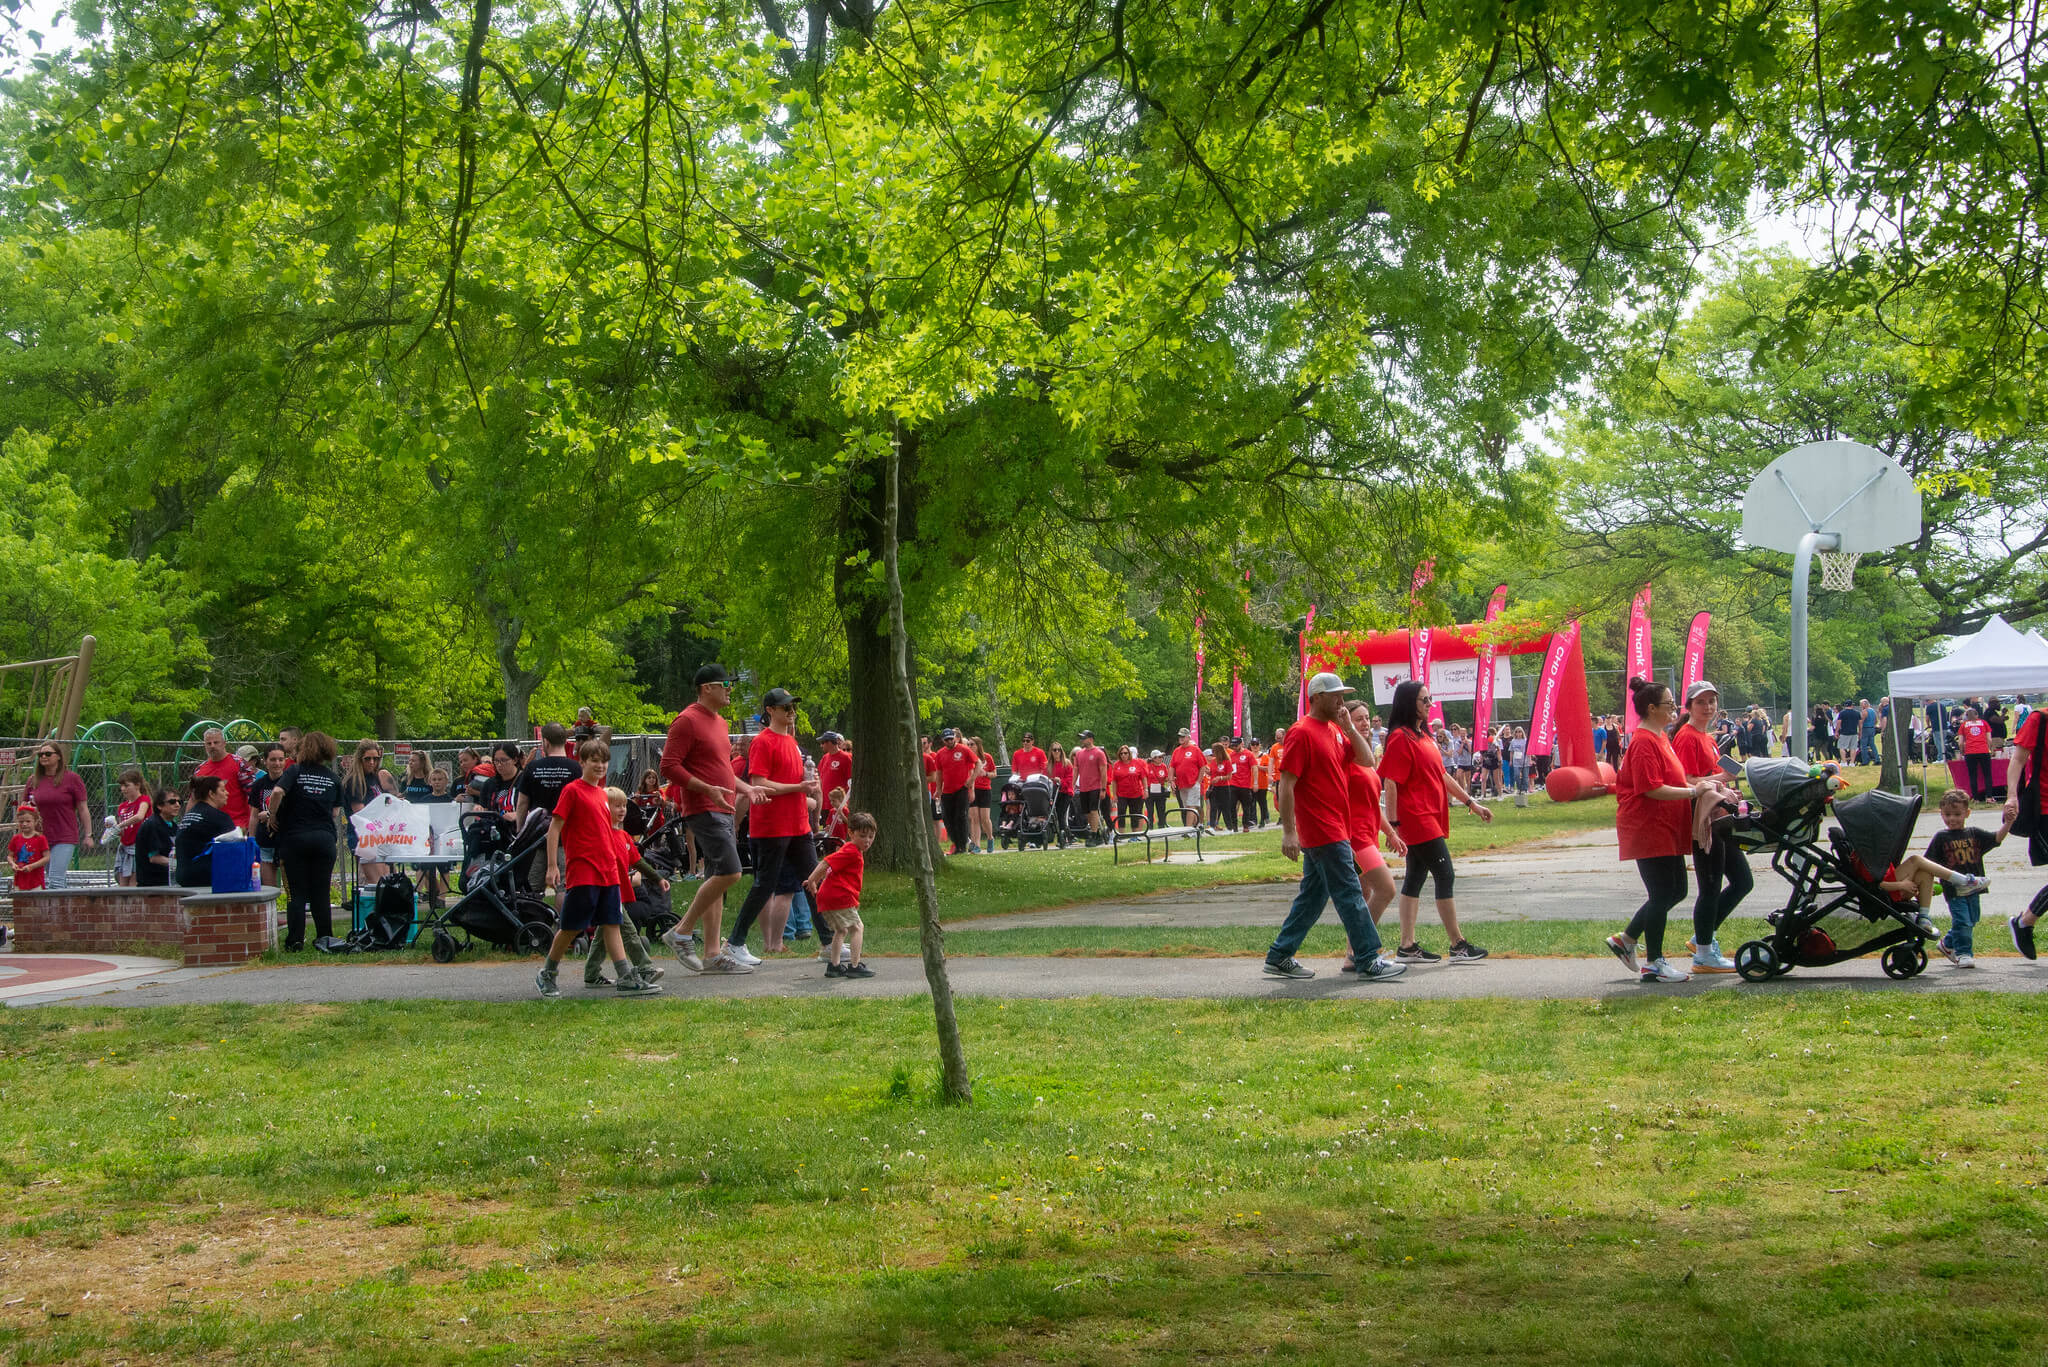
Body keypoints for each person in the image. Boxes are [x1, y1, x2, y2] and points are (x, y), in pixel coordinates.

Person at [1263, 672, 1404, 983]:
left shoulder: (1336, 731)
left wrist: (1350, 727)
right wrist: (1289, 832)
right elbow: (1286, 784)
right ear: (1316, 698)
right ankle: (1367, 958)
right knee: (1350, 893)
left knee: (1312, 897)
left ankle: (1279, 955)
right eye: (1335, 695)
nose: (1341, 700)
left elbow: (1367, 761)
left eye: (1343, 695)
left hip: (1337, 827)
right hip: (1322, 829)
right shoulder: (1301, 733)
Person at [1604, 678, 1712, 984]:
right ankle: (1654, 962)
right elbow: (1651, 788)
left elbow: (1675, 780)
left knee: (1676, 890)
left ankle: (1627, 939)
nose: (1675, 709)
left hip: (1665, 826)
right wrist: (1693, 793)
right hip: (1647, 827)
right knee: (1663, 892)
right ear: (1651, 709)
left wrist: (1704, 783)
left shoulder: (1660, 737)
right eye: (1669, 705)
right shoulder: (1643, 742)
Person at [536, 740, 662, 998]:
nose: (600, 766)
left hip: (608, 872)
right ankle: (547, 973)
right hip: (585, 870)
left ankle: (625, 975)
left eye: (604, 761)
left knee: (612, 922)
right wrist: (551, 865)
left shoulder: (602, 795)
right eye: (594, 760)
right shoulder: (573, 791)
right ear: (582, 762)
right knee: (571, 926)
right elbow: (554, 829)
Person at [1376, 680, 1491, 963]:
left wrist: (1471, 803)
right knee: (1445, 874)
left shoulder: (1423, 736)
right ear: (1409, 704)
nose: (1429, 705)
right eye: (1423, 700)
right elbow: (1391, 783)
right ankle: (1457, 944)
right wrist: (1394, 827)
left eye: (1430, 699)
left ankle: (1407, 946)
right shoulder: (1401, 737)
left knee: (1414, 878)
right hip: (1416, 818)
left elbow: (1442, 776)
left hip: (1429, 815)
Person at [658, 664, 759, 974]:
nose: (730, 688)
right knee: (731, 871)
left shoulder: (719, 723)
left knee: (717, 879)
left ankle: (713, 955)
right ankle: (681, 931)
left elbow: (723, 770)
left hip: (725, 808)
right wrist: (706, 790)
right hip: (704, 807)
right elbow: (668, 767)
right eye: (724, 683)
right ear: (705, 688)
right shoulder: (686, 721)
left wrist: (747, 789)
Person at [726, 687, 821, 959]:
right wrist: (798, 787)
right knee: (764, 887)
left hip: (798, 825)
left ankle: (828, 943)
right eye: (785, 708)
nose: (791, 712)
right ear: (770, 710)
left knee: (814, 881)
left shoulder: (791, 741)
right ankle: (735, 943)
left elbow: (793, 783)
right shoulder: (763, 741)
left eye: (793, 707)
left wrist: (806, 787)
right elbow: (759, 783)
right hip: (771, 827)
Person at [1672, 682, 1750, 974]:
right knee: (1710, 886)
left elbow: (1708, 776)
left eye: (1712, 702)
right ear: (1689, 706)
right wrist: (1724, 776)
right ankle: (1704, 955)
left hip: (1720, 816)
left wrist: (1726, 779)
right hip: (1703, 819)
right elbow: (1686, 781)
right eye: (1701, 702)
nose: (1708, 707)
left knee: (1743, 881)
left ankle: (1702, 938)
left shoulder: (1707, 737)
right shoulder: (1687, 738)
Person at [266, 731, 348, 951]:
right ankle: (325, 938)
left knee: (297, 893)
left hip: (295, 838)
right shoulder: (333, 778)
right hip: (324, 839)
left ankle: (295, 941)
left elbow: (276, 792)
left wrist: (273, 815)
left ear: (303, 750)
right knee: (321, 892)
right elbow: (335, 812)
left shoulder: (294, 771)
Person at [1336, 699, 1401, 973]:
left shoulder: (1365, 759)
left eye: (1366, 718)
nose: (1364, 723)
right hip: (1355, 839)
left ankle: (1354, 955)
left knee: (1362, 897)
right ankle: (1364, 950)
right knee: (1386, 889)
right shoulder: (1345, 757)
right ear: (1345, 721)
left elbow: (1374, 803)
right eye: (1357, 718)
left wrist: (1390, 833)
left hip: (1369, 836)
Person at [582, 787, 668, 988]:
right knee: (628, 931)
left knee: (604, 933)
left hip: (617, 893)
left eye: (623, 806)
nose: (621, 810)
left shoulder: (624, 836)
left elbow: (637, 861)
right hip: (606, 891)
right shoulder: (599, 836)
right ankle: (645, 967)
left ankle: (591, 973)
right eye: (616, 805)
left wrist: (657, 878)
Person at [1924, 789, 2011, 967]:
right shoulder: (1941, 838)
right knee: (1962, 921)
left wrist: (2008, 823)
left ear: (1967, 813)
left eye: (1957, 814)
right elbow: (1928, 863)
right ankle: (1963, 954)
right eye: (1947, 814)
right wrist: (1930, 883)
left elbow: (1996, 838)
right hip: (1953, 889)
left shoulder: (1974, 834)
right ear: (1941, 814)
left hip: (1974, 887)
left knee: (1972, 919)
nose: (1952, 818)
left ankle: (1947, 944)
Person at [805, 810, 878, 979]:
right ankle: (854, 965)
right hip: (840, 898)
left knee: (841, 930)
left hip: (830, 897)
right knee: (857, 928)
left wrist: (817, 880)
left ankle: (835, 966)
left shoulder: (849, 849)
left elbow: (831, 869)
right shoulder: (851, 850)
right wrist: (812, 880)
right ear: (851, 833)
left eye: (871, 837)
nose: (867, 841)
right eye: (863, 836)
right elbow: (825, 862)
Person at [514, 724, 583, 894]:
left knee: (533, 887)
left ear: (545, 741)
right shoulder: (575, 768)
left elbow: (522, 803)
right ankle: (562, 921)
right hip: (566, 836)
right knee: (565, 887)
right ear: (565, 740)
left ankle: (532, 919)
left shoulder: (532, 768)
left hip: (537, 836)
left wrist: (521, 832)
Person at [2005, 698, 2048, 960]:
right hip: (2044, 808)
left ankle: (2025, 922)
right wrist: (2012, 795)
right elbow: (2018, 759)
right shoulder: (2040, 719)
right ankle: (2024, 923)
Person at [22, 742, 92, 888]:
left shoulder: (72, 779)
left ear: (58, 757)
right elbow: (24, 809)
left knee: (55, 879)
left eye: (48, 754)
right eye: (41, 754)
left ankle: (55, 911)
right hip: (40, 837)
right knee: (52, 878)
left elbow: (83, 808)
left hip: (64, 836)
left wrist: (88, 835)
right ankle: (67, 909)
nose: (43, 757)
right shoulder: (32, 781)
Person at [341, 739, 399, 883]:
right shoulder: (355, 781)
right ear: (360, 759)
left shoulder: (375, 778)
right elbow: (360, 813)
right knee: (376, 884)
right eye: (367, 759)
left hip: (381, 835)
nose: (372, 762)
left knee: (389, 880)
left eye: (375, 758)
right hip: (364, 837)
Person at [174, 774, 239, 887]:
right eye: (222, 790)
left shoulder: (189, 815)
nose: (227, 793)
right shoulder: (219, 817)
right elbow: (236, 850)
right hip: (206, 877)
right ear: (211, 794)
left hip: (182, 876)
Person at [193, 728, 253, 831]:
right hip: (209, 828)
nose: (212, 746)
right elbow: (194, 799)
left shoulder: (239, 764)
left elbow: (253, 795)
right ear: (205, 746)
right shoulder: (200, 770)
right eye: (209, 743)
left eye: (216, 742)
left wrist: (251, 827)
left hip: (237, 826)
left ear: (224, 743)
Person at [247, 743, 290, 887]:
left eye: (280, 759)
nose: (277, 763)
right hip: (265, 840)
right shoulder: (259, 784)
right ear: (265, 761)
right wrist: (251, 840)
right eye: (273, 760)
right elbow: (253, 815)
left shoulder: (291, 782)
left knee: (292, 888)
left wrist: (272, 814)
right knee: (269, 888)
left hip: (287, 840)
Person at [933, 729, 977, 855]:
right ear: (943, 741)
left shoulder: (964, 750)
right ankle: (957, 844)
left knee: (960, 817)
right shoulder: (940, 754)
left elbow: (977, 764)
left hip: (961, 789)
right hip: (947, 791)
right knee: (948, 818)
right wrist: (939, 789)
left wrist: (971, 784)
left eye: (951, 739)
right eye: (947, 740)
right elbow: (939, 773)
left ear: (955, 738)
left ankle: (962, 845)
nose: (950, 741)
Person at [112, 769, 153, 887]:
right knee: (122, 883)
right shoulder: (122, 807)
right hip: (125, 846)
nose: (123, 789)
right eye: (121, 786)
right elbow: (122, 832)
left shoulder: (144, 800)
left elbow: (140, 816)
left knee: (133, 882)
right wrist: (113, 828)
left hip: (138, 846)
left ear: (137, 785)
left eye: (126, 785)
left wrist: (120, 824)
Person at [134, 790, 179, 887]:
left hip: (167, 880)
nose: (177, 805)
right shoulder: (152, 825)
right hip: (152, 884)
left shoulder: (173, 826)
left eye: (180, 802)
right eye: (172, 802)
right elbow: (154, 858)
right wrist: (180, 864)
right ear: (159, 806)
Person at [1072, 731, 1109, 842]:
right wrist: (1072, 785)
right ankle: (1096, 831)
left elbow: (1103, 771)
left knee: (1093, 810)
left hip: (1095, 786)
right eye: (1081, 738)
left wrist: (1103, 789)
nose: (1082, 740)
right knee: (1086, 811)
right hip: (1083, 787)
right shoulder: (1079, 754)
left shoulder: (1099, 753)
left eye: (1084, 738)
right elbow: (1076, 770)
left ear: (1091, 739)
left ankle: (1093, 833)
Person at [5, 805, 50, 892]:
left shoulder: (40, 838)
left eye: (28, 821)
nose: (24, 824)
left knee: (36, 903)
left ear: (35, 822)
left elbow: (47, 857)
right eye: (21, 822)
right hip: (19, 880)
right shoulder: (16, 838)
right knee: (20, 903)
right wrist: (13, 864)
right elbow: (10, 856)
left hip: (36, 880)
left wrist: (32, 866)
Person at [817, 731, 853, 831]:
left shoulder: (846, 757)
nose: (821, 746)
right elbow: (819, 777)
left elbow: (851, 781)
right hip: (825, 803)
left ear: (830, 743)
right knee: (826, 831)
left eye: (823, 743)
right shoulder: (825, 758)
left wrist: (846, 802)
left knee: (840, 832)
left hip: (840, 804)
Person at [1169, 730, 1205, 824]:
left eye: (1183, 736)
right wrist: (1171, 780)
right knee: (1187, 807)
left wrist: (1198, 782)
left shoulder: (1195, 750)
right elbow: (1172, 766)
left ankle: (1188, 830)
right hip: (1182, 784)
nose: (1181, 738)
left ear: (1188, 737)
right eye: (1179, 736)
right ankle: (1196, 827)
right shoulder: (1176, 751)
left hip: (1193, 783)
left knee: (1191, 807)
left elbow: (1203, 766)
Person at [968, 736, 997, 853]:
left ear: (978, 746)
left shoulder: (987, 757)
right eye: (968, 744)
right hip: (973, 790)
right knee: (974, 818)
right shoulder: (968, 758)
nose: (970, 747)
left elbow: (994, 773)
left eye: (972, 744)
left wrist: (985, 774)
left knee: (985, 819)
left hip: (985, 790)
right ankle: (977, 845)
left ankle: (990, 838)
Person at [1959, 706, 1994, 801]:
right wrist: (1989, 749)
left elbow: (1961, 742)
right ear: (1977, 715)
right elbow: (1989, 739)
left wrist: (1962, 751)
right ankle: (1989, 797)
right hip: (1983, 750)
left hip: (1970, 752)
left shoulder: (1963, 725)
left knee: (1972, 775)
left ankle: (1975, 798)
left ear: (1966, 716)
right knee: (1987, 774)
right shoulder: (1984, 723)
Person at [1110, 745, 1149, 831]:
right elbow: (1114, 781)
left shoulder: (1137, 763)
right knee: (1121, 814)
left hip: (1136, 794)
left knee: (1134, 814)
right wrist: (1114, 795)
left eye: (1125, 753)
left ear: (1129, 754)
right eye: (1121, 753)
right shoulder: (1117, 765)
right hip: (1121, 794)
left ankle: (1134, 835)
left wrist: (1146, 790)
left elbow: (1143, 777)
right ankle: (1121, 834)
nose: (1123, 755)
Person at [1048, 742, 1076, 835]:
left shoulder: (1067, 763)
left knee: (1061, 813)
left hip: (1065, 792)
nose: (1056, 752)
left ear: (1061, 751)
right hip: (1053, 792)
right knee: (1052, 813)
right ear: (1051, 752)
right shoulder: (1048, 765)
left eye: (1058, 750)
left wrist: (1060, 781)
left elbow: (1069, 781)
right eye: (1054, 750)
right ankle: (1065, 834)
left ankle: (1064, 835)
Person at [1145, 750, 1170, 827]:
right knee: (1150, 810)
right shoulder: (1147, 766)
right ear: (1154, 758)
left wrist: (1170, 779)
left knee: (1161, 809)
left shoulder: (1163, 766)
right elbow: (1144, 778)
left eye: (1161, 757)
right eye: (1159, 757)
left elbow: (1166, 777)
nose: (1161, 758)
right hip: (1150, 789)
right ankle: (1150, 827)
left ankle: (1161, 826)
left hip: (1160, 789)